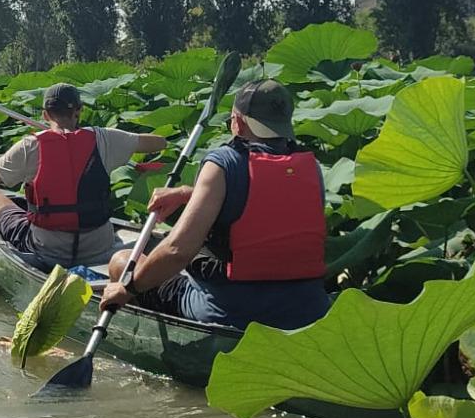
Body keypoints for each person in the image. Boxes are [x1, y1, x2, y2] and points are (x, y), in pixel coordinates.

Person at [98, 79, 329, 331]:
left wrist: (127, 288)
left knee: (121, 262)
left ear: (237, 122)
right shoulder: (310, 167)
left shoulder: (224, 163)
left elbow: (177, 251)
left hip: (230, 313)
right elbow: (266, 204)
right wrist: (189, 193)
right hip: (308, 312)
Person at [0, 82, 165, 269]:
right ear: (79, 111)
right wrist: (104, 136)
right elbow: (159, 143)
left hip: (47, 251)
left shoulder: (29, 146)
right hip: (99, 249)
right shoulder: (104, 138)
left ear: (45, 114)